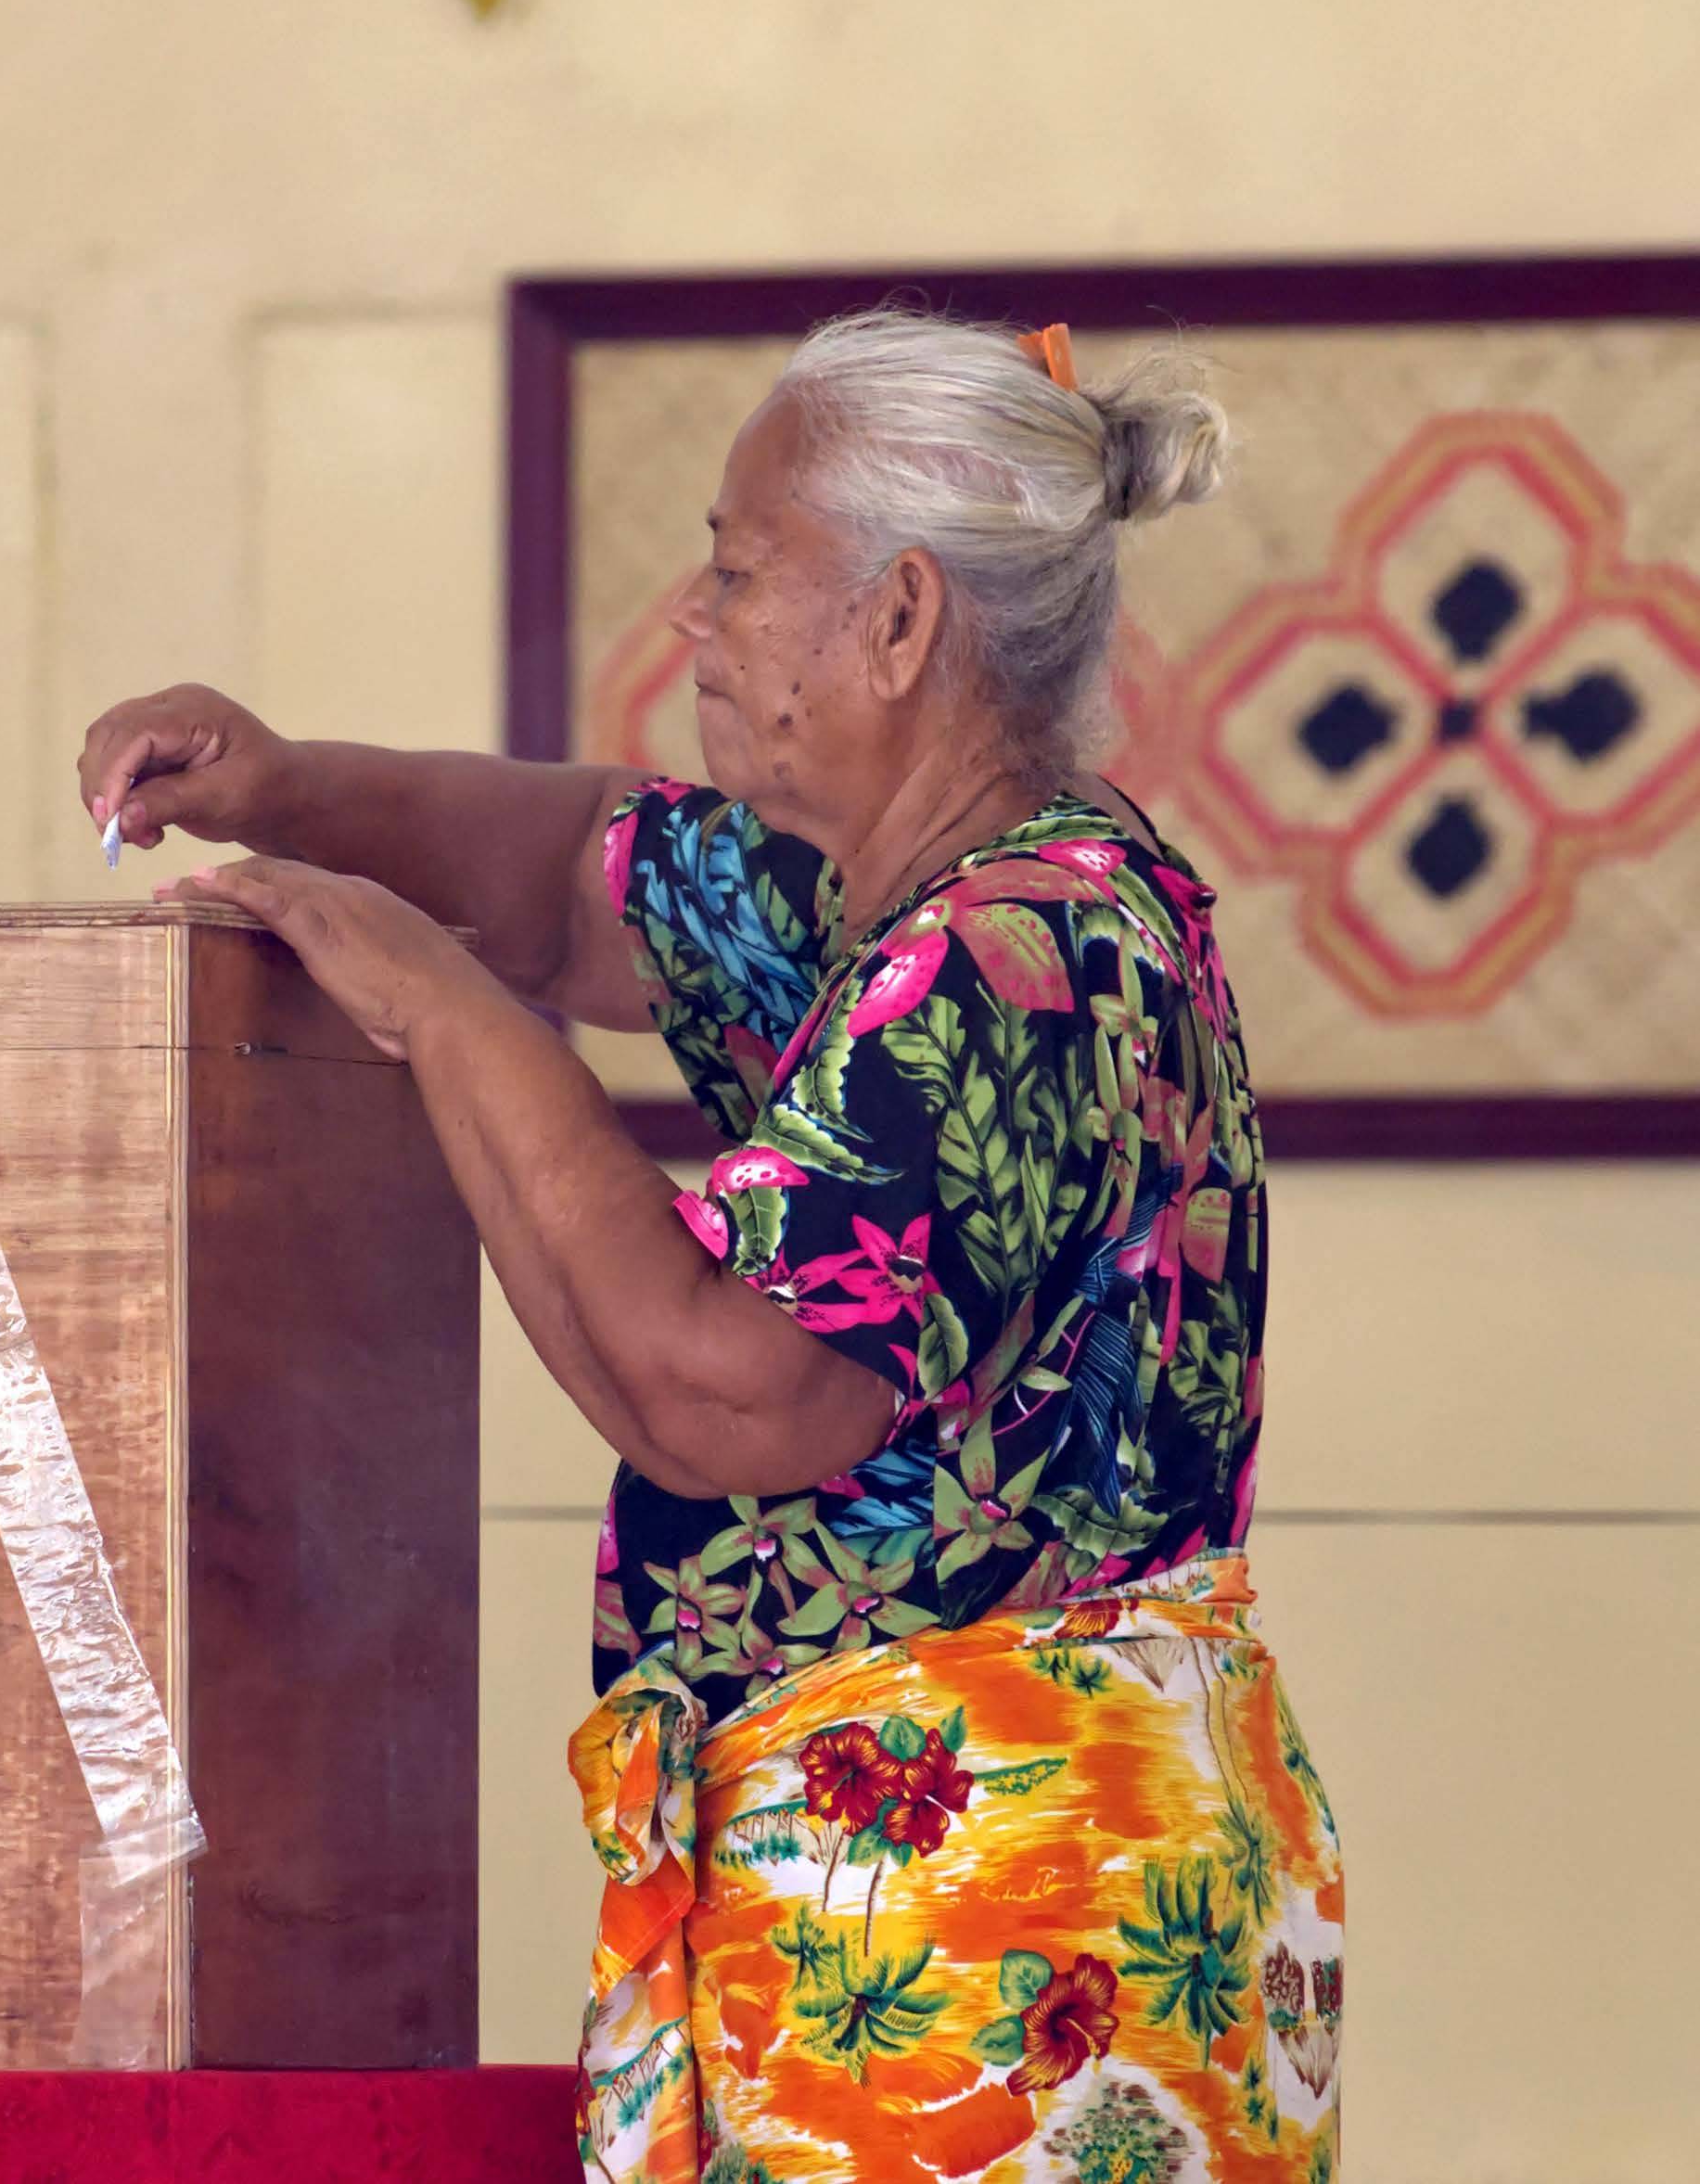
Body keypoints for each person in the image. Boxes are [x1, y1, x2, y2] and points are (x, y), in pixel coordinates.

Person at [78, 311, 1340, 2184]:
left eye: (741, 572)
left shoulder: (997, 964)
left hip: (997, 1931)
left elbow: (722, 1377)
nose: (692, 616)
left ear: (901, 620)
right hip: (980, 1877)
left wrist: (435, 1014)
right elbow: (579, 867)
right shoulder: (921, 893)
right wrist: (287, 791)